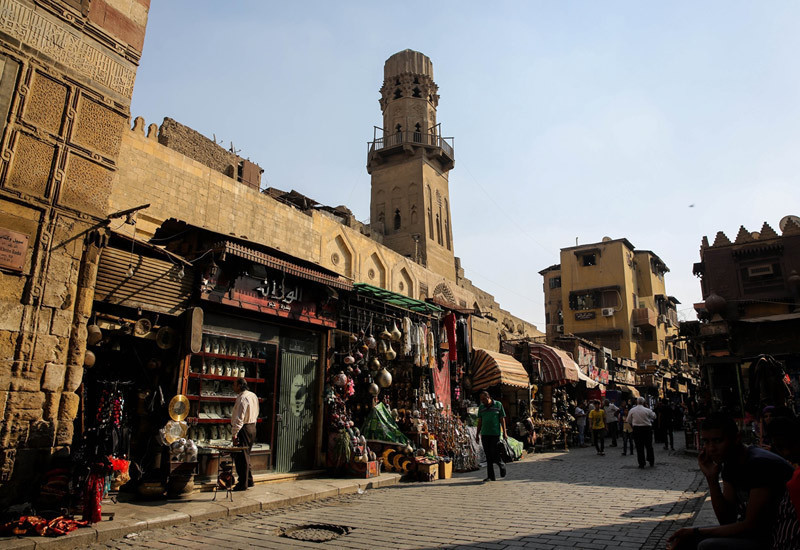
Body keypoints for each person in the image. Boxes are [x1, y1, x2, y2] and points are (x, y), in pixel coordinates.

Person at [667, 412, 794, 550]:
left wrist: (696, 532)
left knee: (706, 545)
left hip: (778, 537)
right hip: (758, 534)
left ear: (736, 439)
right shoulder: (730, 464)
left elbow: (751, 526)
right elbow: (726, 518)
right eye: (706, 442)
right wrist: (711, 479)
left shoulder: (760, 465)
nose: (711, 449)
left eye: (717, 441)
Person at [230, 377, 259, 491]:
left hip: (244, 428)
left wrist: (234, 433)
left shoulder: (243, 398)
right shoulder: (253, 395)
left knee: (241, 457)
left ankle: (242, 483)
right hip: (252, 426)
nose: (233, 387)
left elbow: (239, 418)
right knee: (246, 455)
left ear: (240, 385)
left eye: (235, 385)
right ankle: (249, 480)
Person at [475, 390, 507, 482]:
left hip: (495, 434)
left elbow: (502, 419)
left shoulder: (498, 405)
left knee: (494, 453)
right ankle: (491, 476)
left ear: (488, 397)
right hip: (485, 434)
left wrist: (505, 432)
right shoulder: (481, 407)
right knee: (488, 455)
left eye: (483, 399)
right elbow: (479, 422)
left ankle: (501, 464)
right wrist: (477, 434)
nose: (482, 401)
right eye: (481, 400)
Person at [627, 397, 656, 468]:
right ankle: (651, 460)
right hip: (647, 429)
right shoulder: (647, 410)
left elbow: (628, 420)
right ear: (643, 402)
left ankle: (641, 463)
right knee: (649, 446)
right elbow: (654, 416)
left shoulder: (632, 410)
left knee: (639, 447)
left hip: (637, 429)